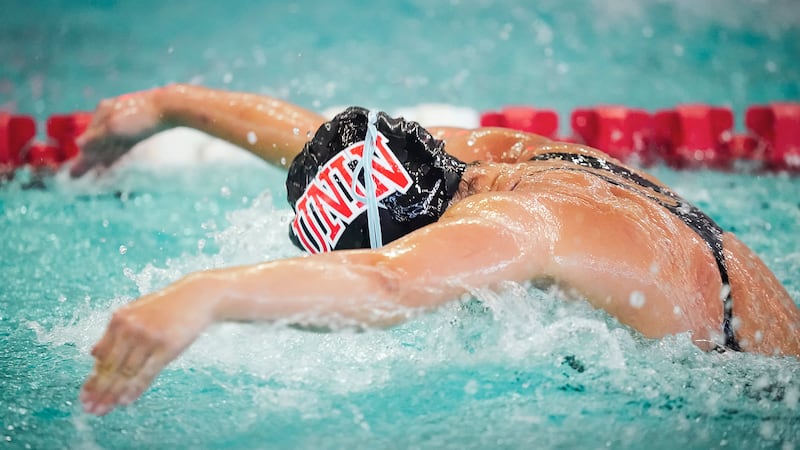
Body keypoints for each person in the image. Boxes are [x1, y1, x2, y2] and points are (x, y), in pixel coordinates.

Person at [77, 84, 800, 416]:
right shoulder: (490, 159)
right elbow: (322, 140)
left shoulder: (516, 229)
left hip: (755, 400)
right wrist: (170, 107)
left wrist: (205, 293)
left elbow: (387, 283)